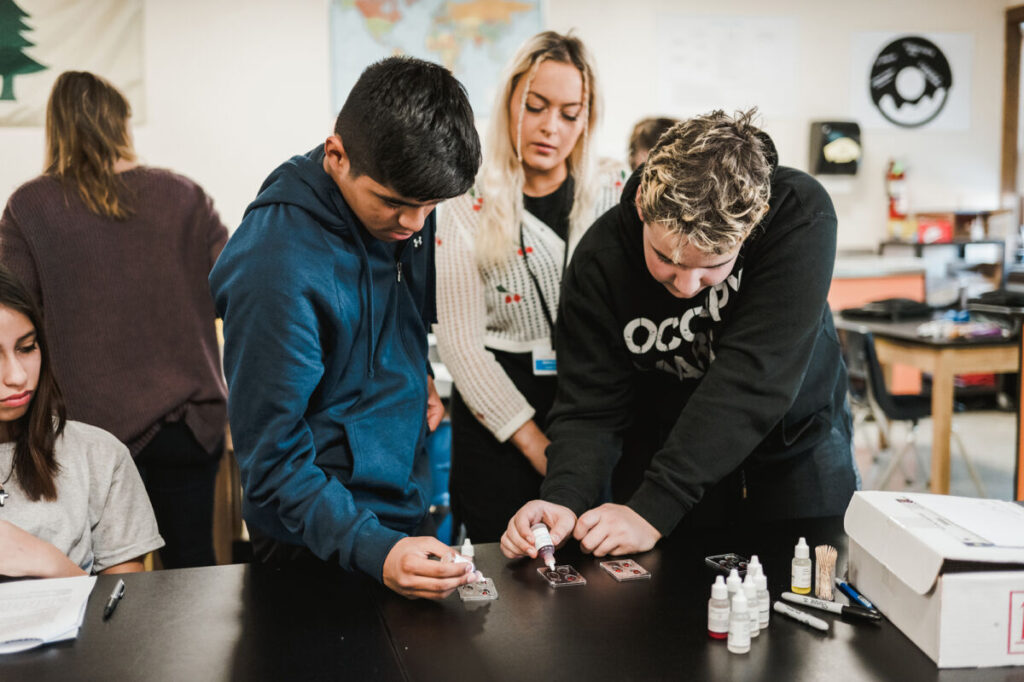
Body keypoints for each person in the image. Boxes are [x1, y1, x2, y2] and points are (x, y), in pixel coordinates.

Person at [501, 110, 858, 561]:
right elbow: (589, 409)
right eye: (667, 258)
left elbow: (752, 379)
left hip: (796, 441)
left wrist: (652, 510)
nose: (686, 287)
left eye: (711, 266)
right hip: (674, 450)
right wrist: (564, 498)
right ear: (641, 210)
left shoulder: (798, 214)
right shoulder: (599, 262)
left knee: (813, 585)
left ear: (752, 228)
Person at [209, 57, 482, 600]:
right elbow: (270, 460)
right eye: (395, 203)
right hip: (313, 539)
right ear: (336, 156)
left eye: (429, 207)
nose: (413, 224)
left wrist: (416, 375)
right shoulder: (275, 266)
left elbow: (388, 316)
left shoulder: (404, 214)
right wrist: (372, 547)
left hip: (399, 511)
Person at [0, 71, 228, 569]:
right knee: (194, 567)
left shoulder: (31, 206)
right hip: (189, 421)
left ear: (57, 127)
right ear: (122, 124)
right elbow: (232, 292)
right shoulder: (183, 194)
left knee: (103, 585)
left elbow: (11, 312)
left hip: (90, 428)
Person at [434, 31, 626, 543]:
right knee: (504, 583)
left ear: (587, 118)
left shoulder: (614, 192)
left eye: (570, 113)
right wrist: (538, 445)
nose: (550, 127)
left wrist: (580, 458)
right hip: (498, 418)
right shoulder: (464, 199)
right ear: (510, 103)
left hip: (592, 407)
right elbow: (460, 345)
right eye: (536, 106)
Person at [0, 266, 163, 578]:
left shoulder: (100, 455)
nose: (17, 376)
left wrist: (49, 562)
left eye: (27, 347)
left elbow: (122, 610)